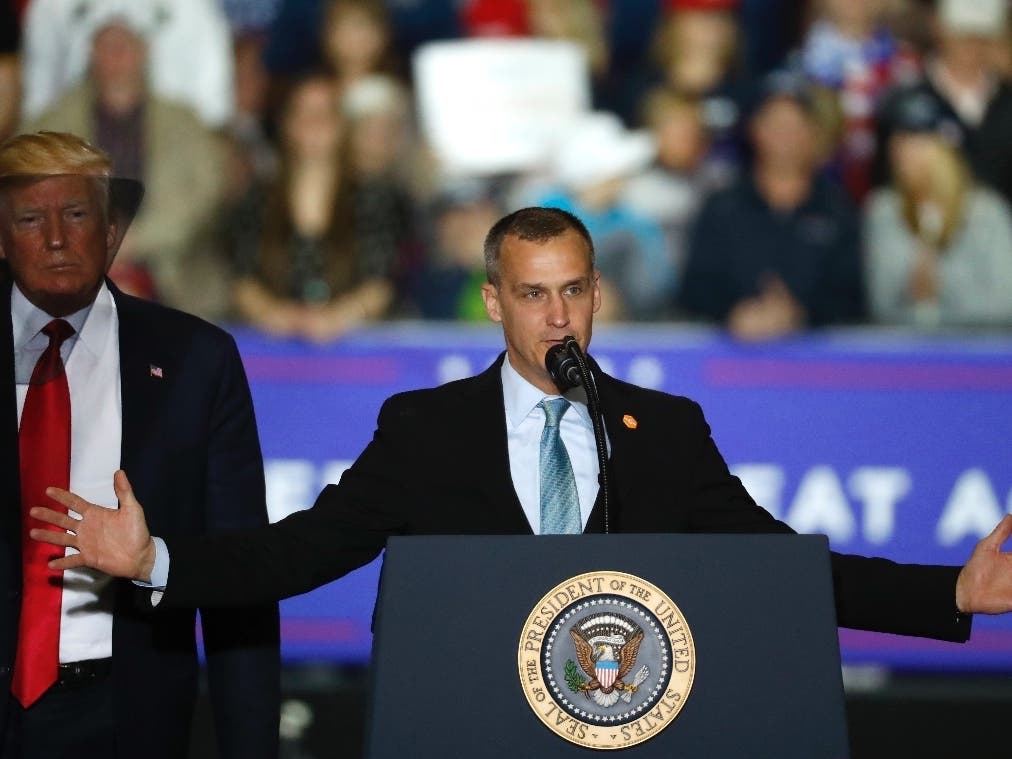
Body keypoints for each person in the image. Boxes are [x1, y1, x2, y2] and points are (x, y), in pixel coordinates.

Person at [29, 207, 1012, 657]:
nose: (556, 317)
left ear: (598, 296)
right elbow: (302, 552)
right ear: (493, 302)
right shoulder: (425, 430)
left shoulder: (663, 431)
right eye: (533, 295)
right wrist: (154, 558)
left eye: (573, 291)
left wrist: (948, 594)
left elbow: (777, 566)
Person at [0, 131, 279, 758]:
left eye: (76, 214)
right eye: (29, 218)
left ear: (111, 231)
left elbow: (240, 576)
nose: (54, 238)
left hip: (125, 720)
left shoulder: (196, 360)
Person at [22, 12, 231, 320]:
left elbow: (206, 197)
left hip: (175, 275)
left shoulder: (185, 124)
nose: (117, 57)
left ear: (145, 53)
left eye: (125, 46)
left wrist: (136, 240)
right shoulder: (49, 124)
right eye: (107, 46)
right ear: (90, 54)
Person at [679, 72, 865, 340]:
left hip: (819, 367)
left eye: (795, 124)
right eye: (775, 123)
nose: (785, 135)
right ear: (755, 129)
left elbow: (852, 296)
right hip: (726, 364)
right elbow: (695, 289)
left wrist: (799, 315)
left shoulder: (837, 209)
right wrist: (734, 314)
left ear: (813, 132)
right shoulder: (722, 207)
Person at [865, 90, 1012, 328]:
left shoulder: (987, 211)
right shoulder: (883, 210)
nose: (904, 151)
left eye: (918, 139)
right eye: (899, 139)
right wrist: (912, 291)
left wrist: (943, 285)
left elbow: (1004, 305)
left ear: (946, 147)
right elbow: (880, 306)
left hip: (979, 351)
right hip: (904, 351)